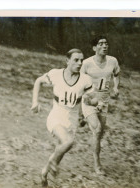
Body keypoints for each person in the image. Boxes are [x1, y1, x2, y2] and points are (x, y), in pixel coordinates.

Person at [31, 49, 93, 187]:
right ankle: (52, 165)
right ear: (67, 61)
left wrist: (89, 110)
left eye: (81, 60)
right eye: (76, 60)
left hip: (72, 118)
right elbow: (38, 82)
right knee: (68, 142)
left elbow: (88, 99)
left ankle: (44, 173)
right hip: (57, 115)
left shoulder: (86, 79)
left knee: (61, 149)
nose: (79, 63)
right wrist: (35, 102)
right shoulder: (56, 74)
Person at [80, 35, 120, 175]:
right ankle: (97, 164)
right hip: (89, 100)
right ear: (94, 48)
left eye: (106, 43)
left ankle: (83, 118)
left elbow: (116, 75)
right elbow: (79, 81)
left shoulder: (113, 61)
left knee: (99, 133)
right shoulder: (86, 63)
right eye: (101, 43)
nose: (104, 46)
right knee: (97, 130)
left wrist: (115, 88)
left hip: (104, 101)